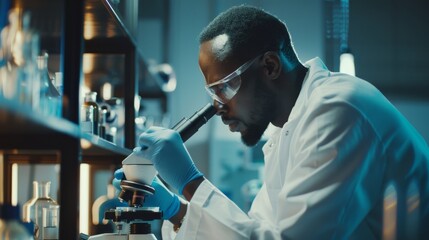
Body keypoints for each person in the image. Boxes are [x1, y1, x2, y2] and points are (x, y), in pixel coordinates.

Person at [113, 5, 429, 239]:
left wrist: (190, 180)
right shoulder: (289, 128)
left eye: (224, 87)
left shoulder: (335, 111)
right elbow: (259, 231)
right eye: (212, 92)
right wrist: (177, 209)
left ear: (270, 66)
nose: (218, 106)